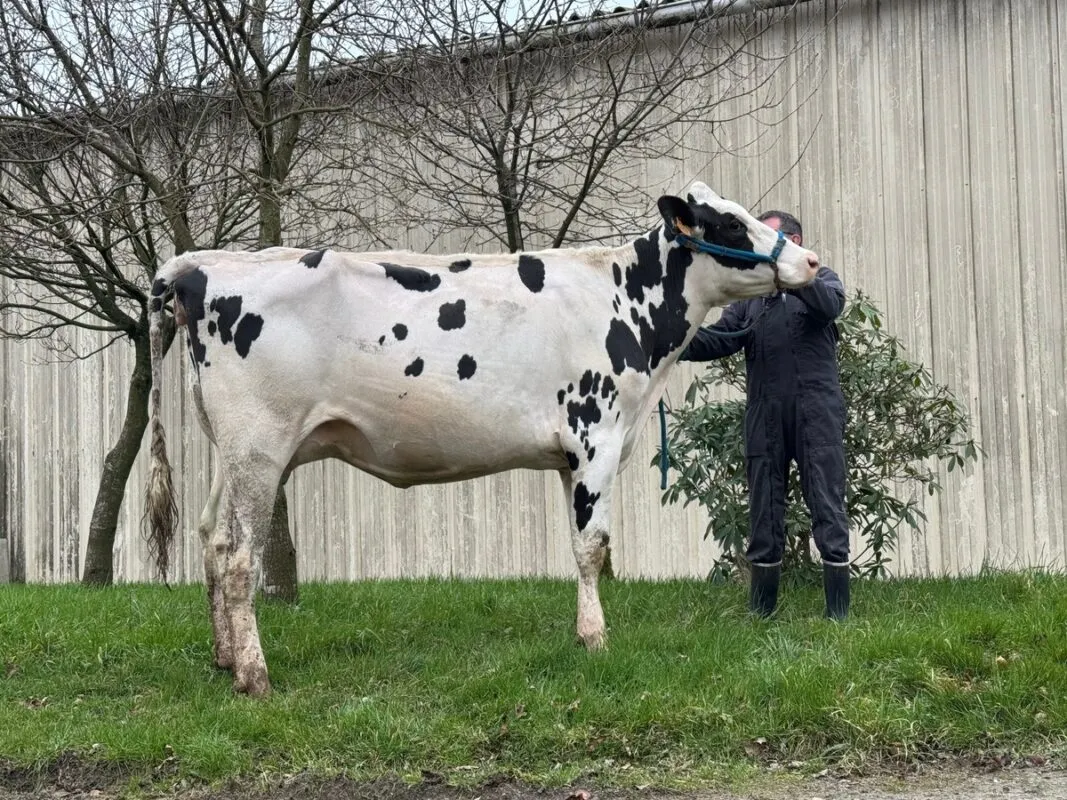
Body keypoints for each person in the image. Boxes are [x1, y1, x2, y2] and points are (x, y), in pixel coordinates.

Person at [680, 210, 850, 620]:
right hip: (764, 414)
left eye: (774, 242)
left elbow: (829, 307)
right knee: (764, 511)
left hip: (816, 412)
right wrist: (672, 338)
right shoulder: (752, 301)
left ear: (794, 242)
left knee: (827, 504)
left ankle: (838, 614)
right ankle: (762, 612)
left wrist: (797, 275)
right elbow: (719, 340)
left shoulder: (823, 281)